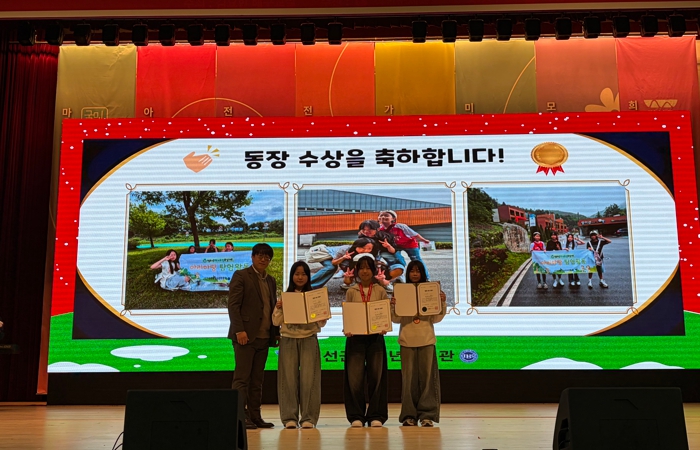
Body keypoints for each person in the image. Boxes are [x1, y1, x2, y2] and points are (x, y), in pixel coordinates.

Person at [228, 243, 280, 430]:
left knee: (257, 380)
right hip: (245, 336)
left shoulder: (270, 280)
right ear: (252, 257)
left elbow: (271, 308)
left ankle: (255, 416)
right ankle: (240, 417)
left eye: (267, 257)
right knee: (242, 379)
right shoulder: (241, 276)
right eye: (260, 255)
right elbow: (233, 305)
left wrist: (275, 333)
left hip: (264, 337)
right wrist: (239, 330)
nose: (263, 259)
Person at [390, 261, 446, 427]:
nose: (415, 274)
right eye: (412, 271)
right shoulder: (402, 291)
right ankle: (409, 415)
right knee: (408, 381)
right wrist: (393, 306)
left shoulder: (430, 291)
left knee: (428, 380)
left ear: (422, 273)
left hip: (426, 339)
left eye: (418, 271)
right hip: (407, 340)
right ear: (408, 274)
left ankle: (427, 415)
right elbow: (395, 319)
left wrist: (442, 302)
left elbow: (436, 319)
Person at [273, 261, 326, 429]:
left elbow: (322, 322)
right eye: (297, 274)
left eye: (304, 274)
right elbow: (275, 321)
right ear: (292, 276)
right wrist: (279, 308)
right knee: (287, 379)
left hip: (309, 338)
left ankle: (309, 418)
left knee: (310, 379)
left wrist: (322, 312)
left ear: (308, 276)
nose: (300, 277)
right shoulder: (285, 297)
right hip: (288, 339)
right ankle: (289, 418)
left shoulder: (314, 296)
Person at [343, 256, 390, 428]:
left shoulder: (380, 291)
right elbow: (349, 314)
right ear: (357, 271)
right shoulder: (351, 291)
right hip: (355, 338)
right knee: (354, 379)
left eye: (368, 268)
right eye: (361, 268)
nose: (364, 271)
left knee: (377, 378)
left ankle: (376, 415)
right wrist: (348, 327)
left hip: (375, 338)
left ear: (373, 271)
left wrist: (384, 325)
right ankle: (356, 416)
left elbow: (384, 314)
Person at [378, 210, 431, 279]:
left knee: (416, 260)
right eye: (381, 215)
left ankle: (426, 278)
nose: (383, 217)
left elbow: (414, 234)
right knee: (394, 260)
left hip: (409, 244)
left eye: (386, 215)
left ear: (393, 218)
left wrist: (424, 240)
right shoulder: (379, 228)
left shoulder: (400, 226)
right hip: (396, 246)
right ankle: (396, 276)